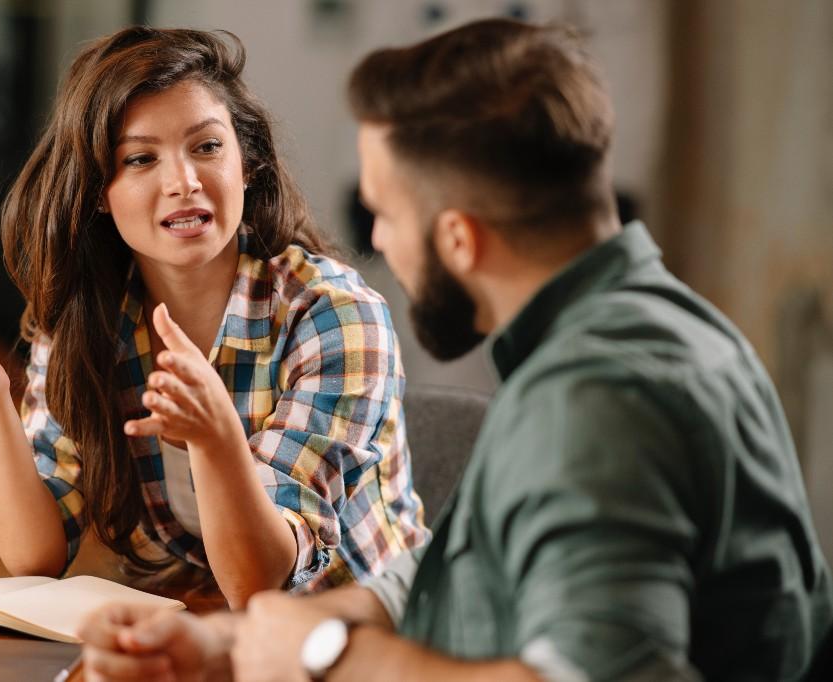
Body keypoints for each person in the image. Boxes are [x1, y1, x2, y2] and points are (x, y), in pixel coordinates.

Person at [75, 18, 833, 682]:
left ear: (458, 240)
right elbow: (458, 578)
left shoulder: (596, 403)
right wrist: (226, 644)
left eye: (384, 213)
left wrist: (331, 660)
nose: (374, 241)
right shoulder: (645, 329)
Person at [0, 26, 424, 608]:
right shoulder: (92, 318)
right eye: (140, 158)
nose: (183, 182)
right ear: (98, 194)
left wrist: (216, 441)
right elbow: (35, 554)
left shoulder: (334, 315)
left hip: (365, 637)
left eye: (207, 147)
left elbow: (263, 582)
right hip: (207, 622)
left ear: (248, 163)